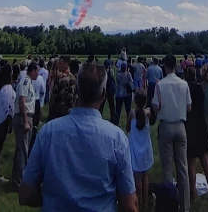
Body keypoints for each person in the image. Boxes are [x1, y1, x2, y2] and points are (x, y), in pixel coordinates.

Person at [19, 63, 137, 212]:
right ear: (103, 94)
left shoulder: (48, 132)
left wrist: (53, 199)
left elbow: (26, 193)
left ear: (76, 90)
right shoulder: (117, 138)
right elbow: (130, 205)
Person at [153, 54, 190, 212]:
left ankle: (169, 206)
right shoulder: (184, 84)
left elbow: (156, 106)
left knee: (167, 168)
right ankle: (185, 205)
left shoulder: (160, 84)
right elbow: (189, 107)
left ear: (165, 66)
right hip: (181, 125)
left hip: (166, 125)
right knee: (183, 168)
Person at [183, 68, 208, 205]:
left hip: (190, 125)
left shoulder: (186, 89)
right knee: (205, 160)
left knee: (190, 162)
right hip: (201, 124)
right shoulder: (200, 88)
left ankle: (193, 194)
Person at [12, 62, 39, 190]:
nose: (38, 74)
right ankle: (19, 182)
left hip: (28, 116)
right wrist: (26, 121)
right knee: (22, 150)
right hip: (24, 117)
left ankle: (18, 178)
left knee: (23, 149)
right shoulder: (25, 82)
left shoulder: (29, 82)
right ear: (32, 71)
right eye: (37, 71)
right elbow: (22, 102)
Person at [127, 91, 153, 208]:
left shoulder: (132, 114)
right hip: (146, 148)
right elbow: (147, 113)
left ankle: (139, 201)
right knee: (145, 175)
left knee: (137, 177)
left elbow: (128, 128)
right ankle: (145, 202)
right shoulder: (148, 114)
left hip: (135, 148)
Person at [48, 56, 76, 121]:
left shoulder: (65, 79)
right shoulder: (66, 77)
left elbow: (56, 97)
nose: (58, 65)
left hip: (60, 111)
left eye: (60, 63)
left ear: (66, 64)